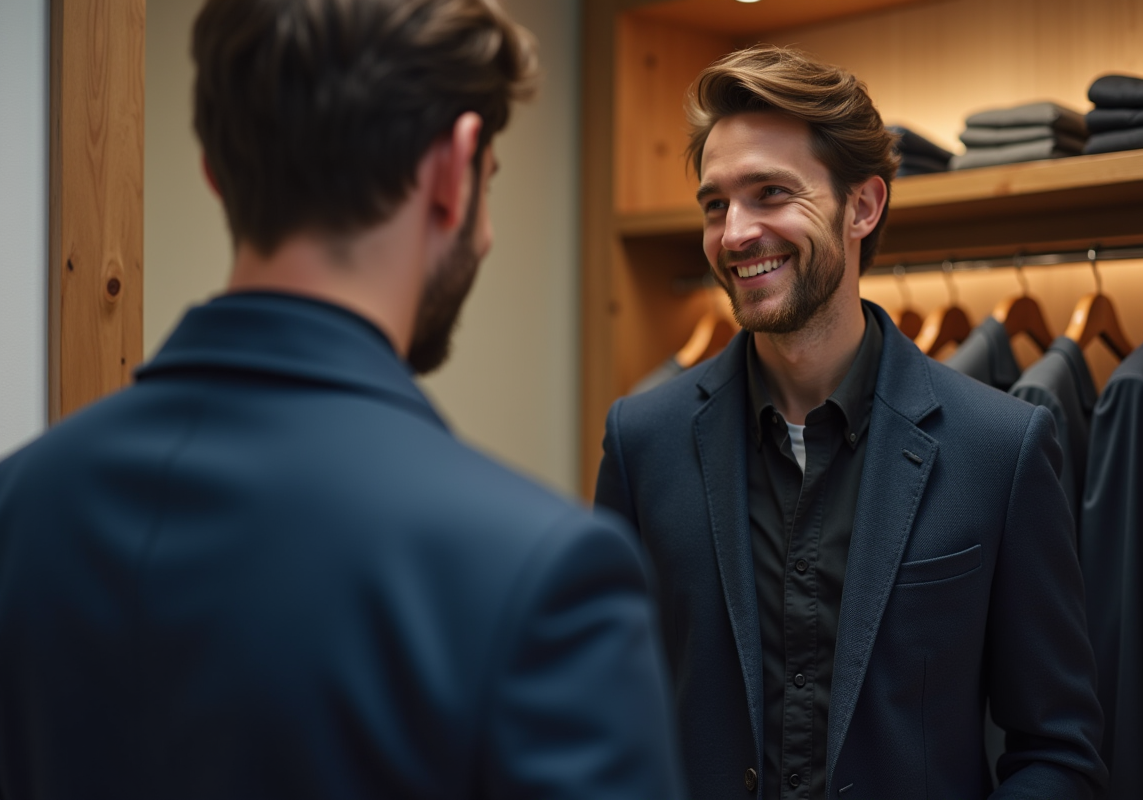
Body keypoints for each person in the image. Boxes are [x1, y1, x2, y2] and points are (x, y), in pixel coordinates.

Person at [0, 1, 684, 797]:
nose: (488, 230)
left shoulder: (21, 506)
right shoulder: (542, 580)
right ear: (452, 170)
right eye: (489, 183)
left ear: (216, 170)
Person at [595, 45, 1107, 800]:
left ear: (862, 206)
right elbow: (603, 711)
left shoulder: (1000, 446)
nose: (734, 233)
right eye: (715, 204)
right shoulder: (643, 440)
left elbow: (1058, 750)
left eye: (770, 193)